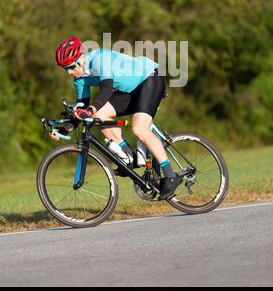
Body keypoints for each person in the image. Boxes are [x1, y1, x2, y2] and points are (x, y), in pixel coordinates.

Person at [51, 35, 183, 200]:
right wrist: (65, 127)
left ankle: (171, 176)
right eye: (65, 69)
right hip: (130, 91)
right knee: (98, 116)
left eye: (70, 67)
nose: (69, 72)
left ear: (81, 59)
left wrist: (89, 109)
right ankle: (130, 157)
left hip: (148, 81)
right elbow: (82, 109)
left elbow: (106, 90)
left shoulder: (99, 59)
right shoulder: (79, 79)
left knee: (139, 128)